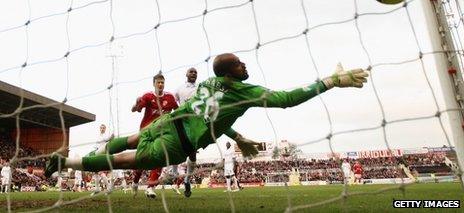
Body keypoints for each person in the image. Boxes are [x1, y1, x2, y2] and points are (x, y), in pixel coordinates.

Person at [45, 53, 368, 188]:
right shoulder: (245, 92)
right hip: (178, 141)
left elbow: (213, 116)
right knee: (126, 159)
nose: (244, 65)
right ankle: (67, 163)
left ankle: (73, 159)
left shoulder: (210, 84)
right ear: (231, 72)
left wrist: (238, 137)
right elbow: (287, 100)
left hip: (168, 122)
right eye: (239, 64)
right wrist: (330, 82)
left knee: (130, 139)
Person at [131, 73, 178, 199]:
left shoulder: (170, 98)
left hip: (161, 132)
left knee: (161, 157)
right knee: (142, 159)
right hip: (146, 132)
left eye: (162, 82)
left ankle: (150, 187)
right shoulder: (148, 96)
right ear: (154, 84)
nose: (161, 84)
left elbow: (178, 112)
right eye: (158, 82)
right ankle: (135, 181)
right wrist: (136, 105)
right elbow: (135, 109)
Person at [174, 67, 199, 198]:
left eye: (195, 72)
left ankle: (187, 181)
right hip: (182, 122)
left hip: (195, 122)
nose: (193, 73)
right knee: (177, 149)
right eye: (191, 71)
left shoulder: (200, 87)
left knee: (193, 155)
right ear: (186, 74)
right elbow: (173, 102)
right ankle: (173, 172)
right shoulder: (179, 89)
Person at [91, 124, 113, 196]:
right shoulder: (98, 136)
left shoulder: (105, 136)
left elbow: (110, 138)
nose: (102, 129)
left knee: (100, 172)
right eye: (101, 128)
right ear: (99, 128)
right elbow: (95, 146)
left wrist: (112, 135)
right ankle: (97, 189)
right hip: (96, 154)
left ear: (105, 129)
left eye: (103, 128)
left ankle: (109, 188)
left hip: (102, 154)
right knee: (96, 172)